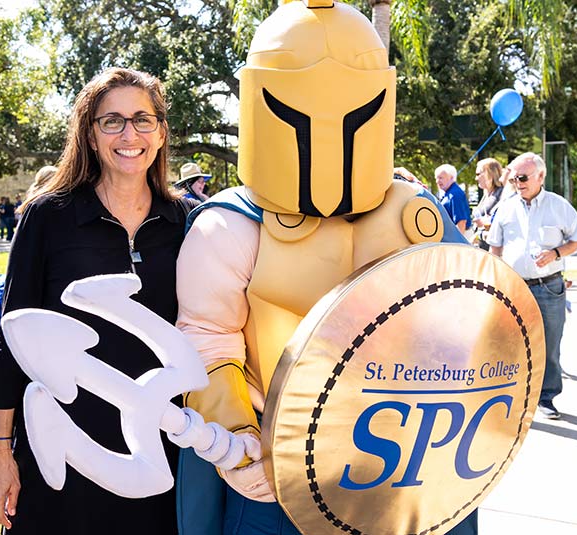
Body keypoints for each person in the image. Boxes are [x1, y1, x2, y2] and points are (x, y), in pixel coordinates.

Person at [174, 2, 476, 534]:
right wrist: (234, 441)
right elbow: (207, 340)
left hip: (398, 471)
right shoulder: (228, 225)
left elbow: (469, 320)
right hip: (275, 478)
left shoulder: (411, 214)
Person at [0, 67, 196, 534]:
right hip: (60, 434)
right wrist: (1, 454)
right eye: (111, 120)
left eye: (143, 119)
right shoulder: (49, 216)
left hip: (158, 441)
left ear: (160, 133)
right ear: (91, 135)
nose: (129, 133)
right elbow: (12, 342)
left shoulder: (188, 222)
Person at [488, 152, 577, 420]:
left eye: (523, 177)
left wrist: (555, 253)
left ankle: (547, 398)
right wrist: (495, 274)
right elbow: (495, 243)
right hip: (514, 287)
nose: (518, 183)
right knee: (512, 344)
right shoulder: (506, 207)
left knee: (550, 344)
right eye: (515, 178)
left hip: (549, 288)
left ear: (540, 176)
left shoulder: (558, 206)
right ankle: (515, 396)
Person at [470, 158, 505, 250]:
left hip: (495, 250)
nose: (476, 178)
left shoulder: (502, 194)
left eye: (478, 174)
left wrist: (486, 222)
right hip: (482, 248)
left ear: (490, 174)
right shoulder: (487, 194)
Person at [435, 163, 471, 234]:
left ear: (451, 178)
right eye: (436, 178)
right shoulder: (448, 194)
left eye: (441, 178)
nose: (437, 181)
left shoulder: (455, 194)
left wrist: (458, 244)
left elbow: (461, 222)